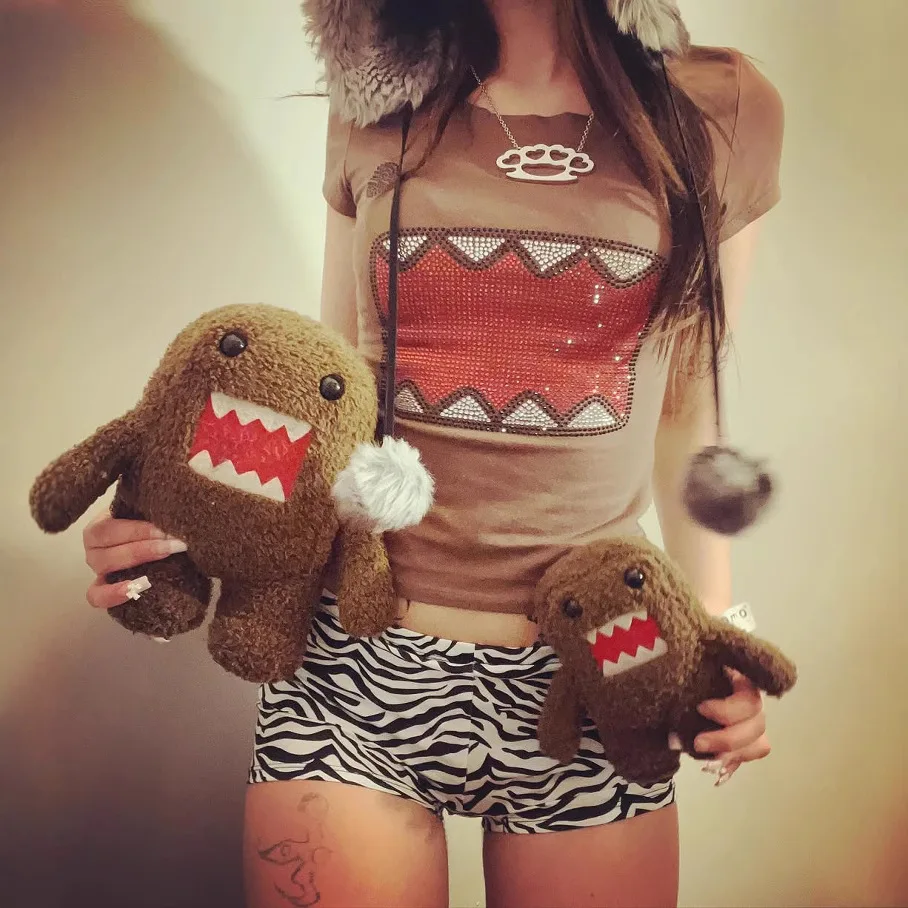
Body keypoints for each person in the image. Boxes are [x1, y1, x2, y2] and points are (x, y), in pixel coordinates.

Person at [81, 1, 785, 905]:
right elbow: (333, 391)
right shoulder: (378, 101)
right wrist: (186, 524)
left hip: (590, 669)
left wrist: (715, 637)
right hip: (353, 671)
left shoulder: (719, 107)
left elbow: (689, 408)